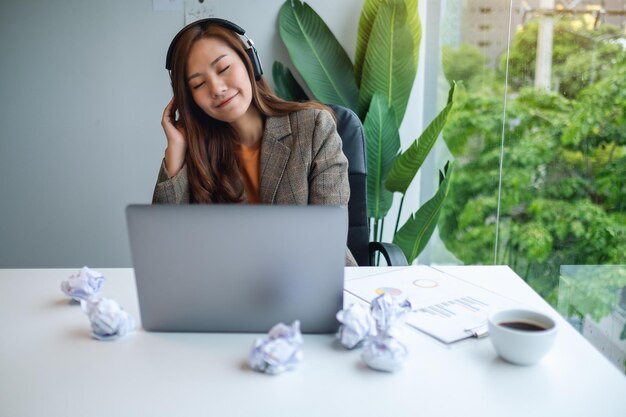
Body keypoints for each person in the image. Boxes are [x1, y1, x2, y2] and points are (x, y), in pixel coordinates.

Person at [152, 19, 357, 266]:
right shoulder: (198, 154)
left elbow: (326, 239)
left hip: (315, 280)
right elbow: (166, 249)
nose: (216, 89)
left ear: (251, 62)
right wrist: (175, 152)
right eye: (198, 84)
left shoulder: (313, 127)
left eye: (223, 68)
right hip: (232, 291)